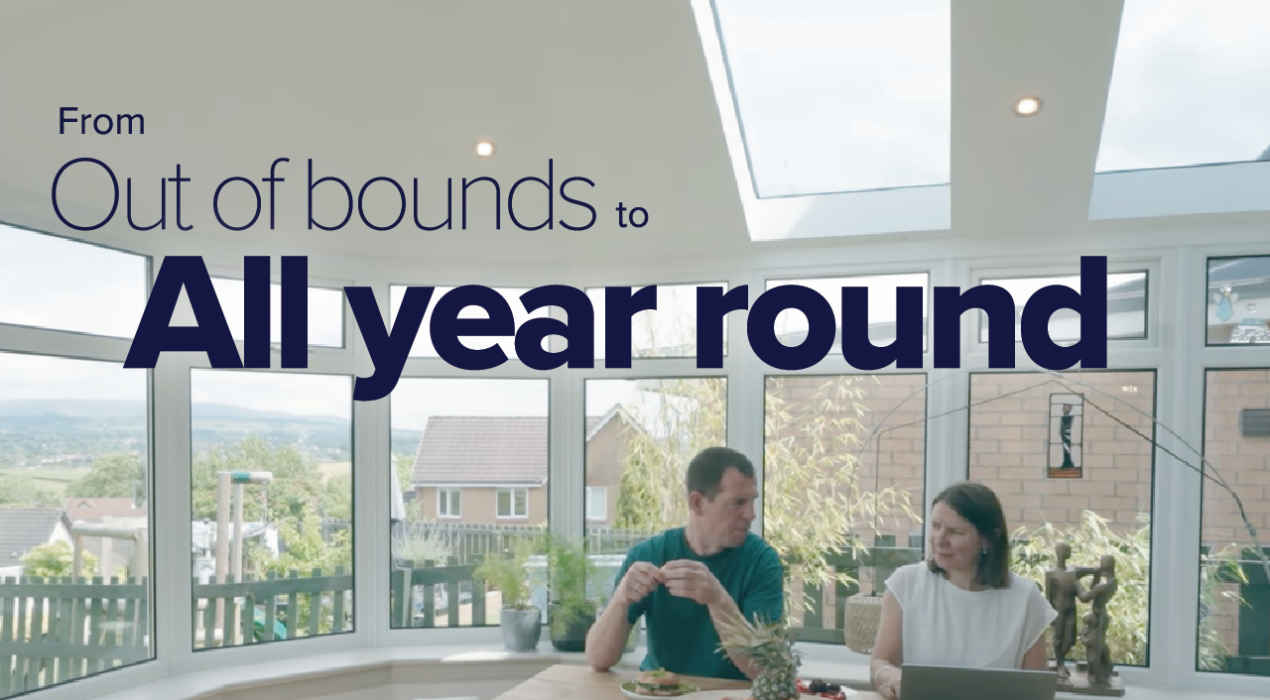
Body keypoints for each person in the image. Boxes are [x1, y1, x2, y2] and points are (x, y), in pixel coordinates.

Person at [585, 446, 784, 680]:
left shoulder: (761, 562)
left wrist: (718, 600)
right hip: (660, 694)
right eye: (737, 502)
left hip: (729, 695)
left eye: (752, 501)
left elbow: (766, 671)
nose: (750, 514)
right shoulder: (649, 554)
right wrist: (620, 599)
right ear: (697, 503)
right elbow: (598, 659)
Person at [868, 481, 1057, 700]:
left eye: (955, 532)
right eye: (936, 526)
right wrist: (888, 675)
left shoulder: (1026, 598)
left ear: (987, 539)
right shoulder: (905, 583)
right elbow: (879, 663)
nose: (940, 540)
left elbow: (1036, 691)